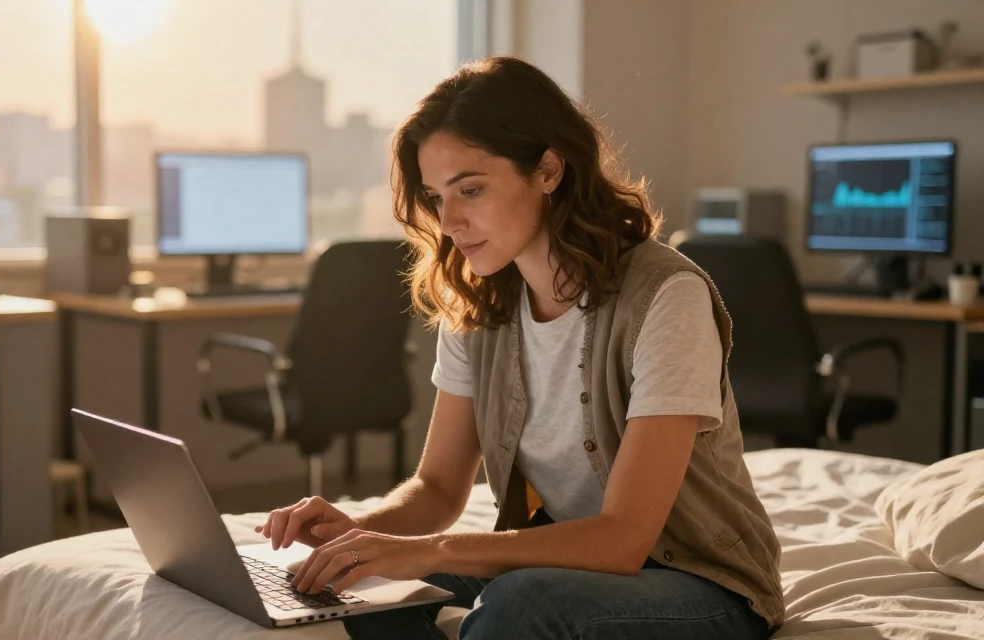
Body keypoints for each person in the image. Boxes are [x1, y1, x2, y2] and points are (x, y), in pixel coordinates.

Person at [255, 56, 783, 640]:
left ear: (549, 169)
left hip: (702, 582)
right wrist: (357, 535)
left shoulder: (666, 298)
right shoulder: (479, 304)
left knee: (520, 604)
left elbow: (624, 538)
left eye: (471, 189)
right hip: (565, 557)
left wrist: (423, 551)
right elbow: (437, 489)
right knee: (363, 590)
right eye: (436, 197)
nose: (450, 220)